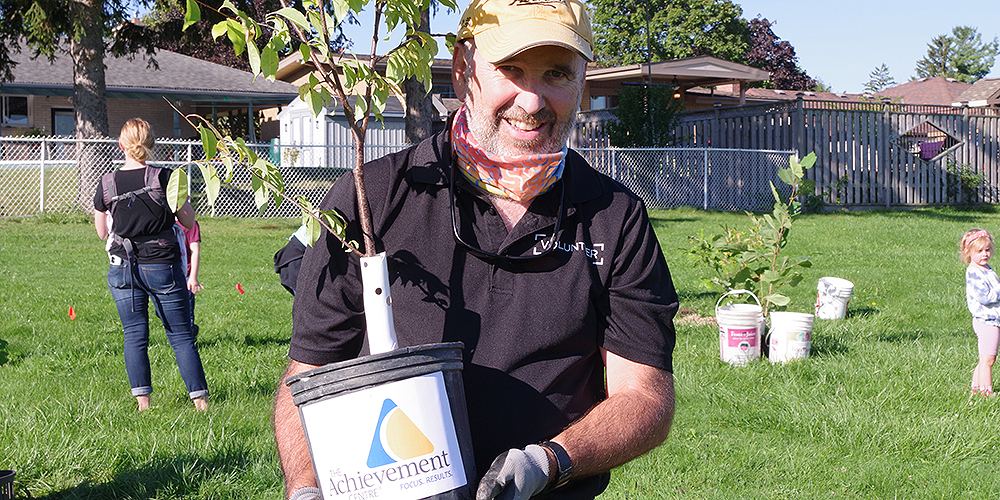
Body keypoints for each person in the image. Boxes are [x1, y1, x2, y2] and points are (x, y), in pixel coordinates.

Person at [273, 0, 677, 498]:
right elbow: (309, 376)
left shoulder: (614, 216)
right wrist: (306, 486)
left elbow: (644, 397)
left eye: (556, 73)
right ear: (464, 69)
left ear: (582, 82)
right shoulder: (372, 198)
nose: (531, 101)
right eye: (510, 69)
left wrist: (549, 461)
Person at [93, 118, 209, 412]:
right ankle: (200, 403)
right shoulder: (165, 177)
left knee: (134, 334)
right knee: (181, 335)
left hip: (122, 268)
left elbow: (102, 233)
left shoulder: (107, 182)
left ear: (121, 145)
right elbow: (188, 221)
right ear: (151, 144)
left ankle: (143, 404)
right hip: (163, 267)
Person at [961, 228, 1000, 397]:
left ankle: (976, 388)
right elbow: (984, 297)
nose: (985, 254)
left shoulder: (985, 268)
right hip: (986, 321)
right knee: (988, 361)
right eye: (979, 251)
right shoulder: (975, 272)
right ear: (968, 253)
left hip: (990, 320)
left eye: (987, 250)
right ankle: (986, 393)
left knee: (985, 358)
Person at [180, 220, 204, 338]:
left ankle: (189, 337)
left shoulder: (190, 224)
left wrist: (193, 277)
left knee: (186, 312)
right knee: (161, 312)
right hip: (166, 275)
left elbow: (195, 251)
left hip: (186, 276)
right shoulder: (162, 221)